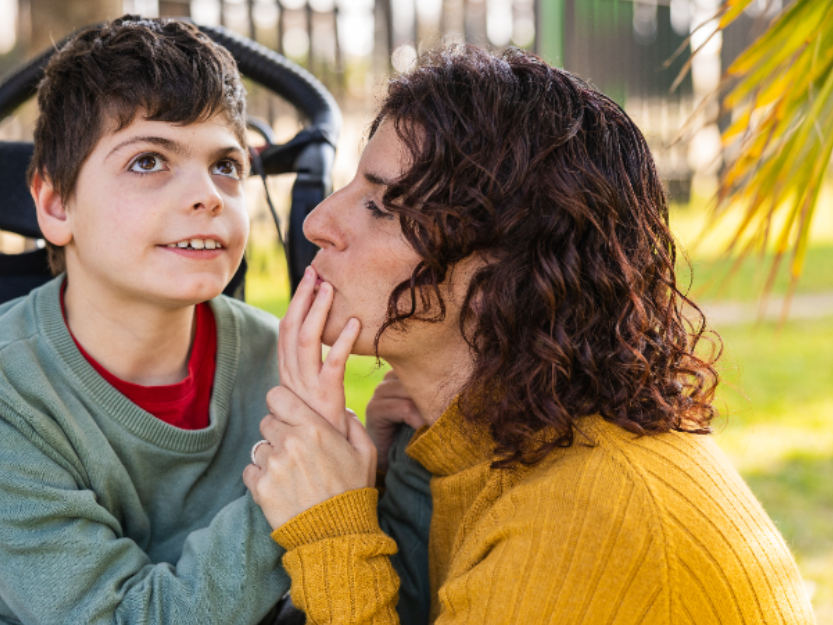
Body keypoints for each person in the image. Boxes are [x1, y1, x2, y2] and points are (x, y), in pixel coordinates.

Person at [244, 45, 817, 624]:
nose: (317, 224)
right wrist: (393, 475)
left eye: (383, 206)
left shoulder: (581, 522)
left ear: (511, 274)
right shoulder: (507, 454)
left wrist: (329, 533)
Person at [0, 17, 295, 625]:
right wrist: (292, 504)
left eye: (226, 166)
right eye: (149, 161)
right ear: (55, 203)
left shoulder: (281, 365)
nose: (206, 194)